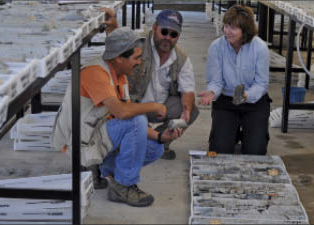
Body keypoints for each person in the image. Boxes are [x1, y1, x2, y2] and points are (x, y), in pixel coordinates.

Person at [52, 27, 183, 207]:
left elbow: (126, 116)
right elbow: (123, 113)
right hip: (78, 141)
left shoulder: (120, 76)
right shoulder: (95, 72)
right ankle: (122, 186)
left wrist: (160, 137)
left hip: (95, 134)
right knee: (137, 120)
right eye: (136, 58)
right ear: (118, 58)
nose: (139, 62)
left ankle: (104, 170)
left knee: (155, 148)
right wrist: (153, 106)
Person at [198, 5, 271, 155]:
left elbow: (261, 83)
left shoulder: (260, 48)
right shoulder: (216, 47)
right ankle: (231, 133)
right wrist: (212, 92)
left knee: (255, 152)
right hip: (226, 100)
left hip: (254, 101)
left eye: (233, 28)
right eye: (226, 26)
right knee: (220, 150)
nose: (227, 31)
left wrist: (246, 95)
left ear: (245, 31)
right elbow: (216, 81)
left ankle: (246, 134)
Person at [127, 9, 199, 160]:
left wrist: (186, 111)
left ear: (178, 36)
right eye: (164, 31)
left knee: (190, 110)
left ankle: (160, 143)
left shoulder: (181, 59)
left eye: (173, 34)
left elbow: (188, 90)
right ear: (154, 28)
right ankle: (139, 138)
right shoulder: (137, 45)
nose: (168, 37)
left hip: (161, 108)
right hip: (133, 106)